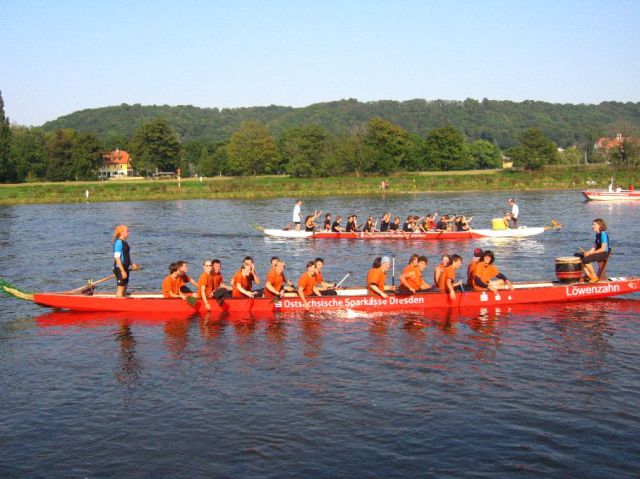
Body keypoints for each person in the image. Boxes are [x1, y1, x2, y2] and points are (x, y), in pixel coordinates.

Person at [580, 218, 611, 283]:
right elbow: (594, 247)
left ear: (599, 225)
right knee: (581, 257)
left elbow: (603, 248)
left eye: (594, 225)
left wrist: (591, 253)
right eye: (592, 225)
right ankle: (588, 275)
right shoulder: (597, 235)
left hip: (604, 254)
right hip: (599, 253)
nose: (592, 226)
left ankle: (594, 276)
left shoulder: (603, 234)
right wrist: (588, 252)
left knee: (585, 260)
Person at [112, 224, 139, 297]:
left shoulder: (125, 243)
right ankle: (118, 304)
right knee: (121, 288)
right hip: (119, 268)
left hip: (125, 268)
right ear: (121, 232)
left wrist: (132, 264)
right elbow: (117, 258)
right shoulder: (118, 243)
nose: (129, 233)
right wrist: (122, 271)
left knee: (125, 287)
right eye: (127, 231)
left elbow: (127, 255)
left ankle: (123, 302)